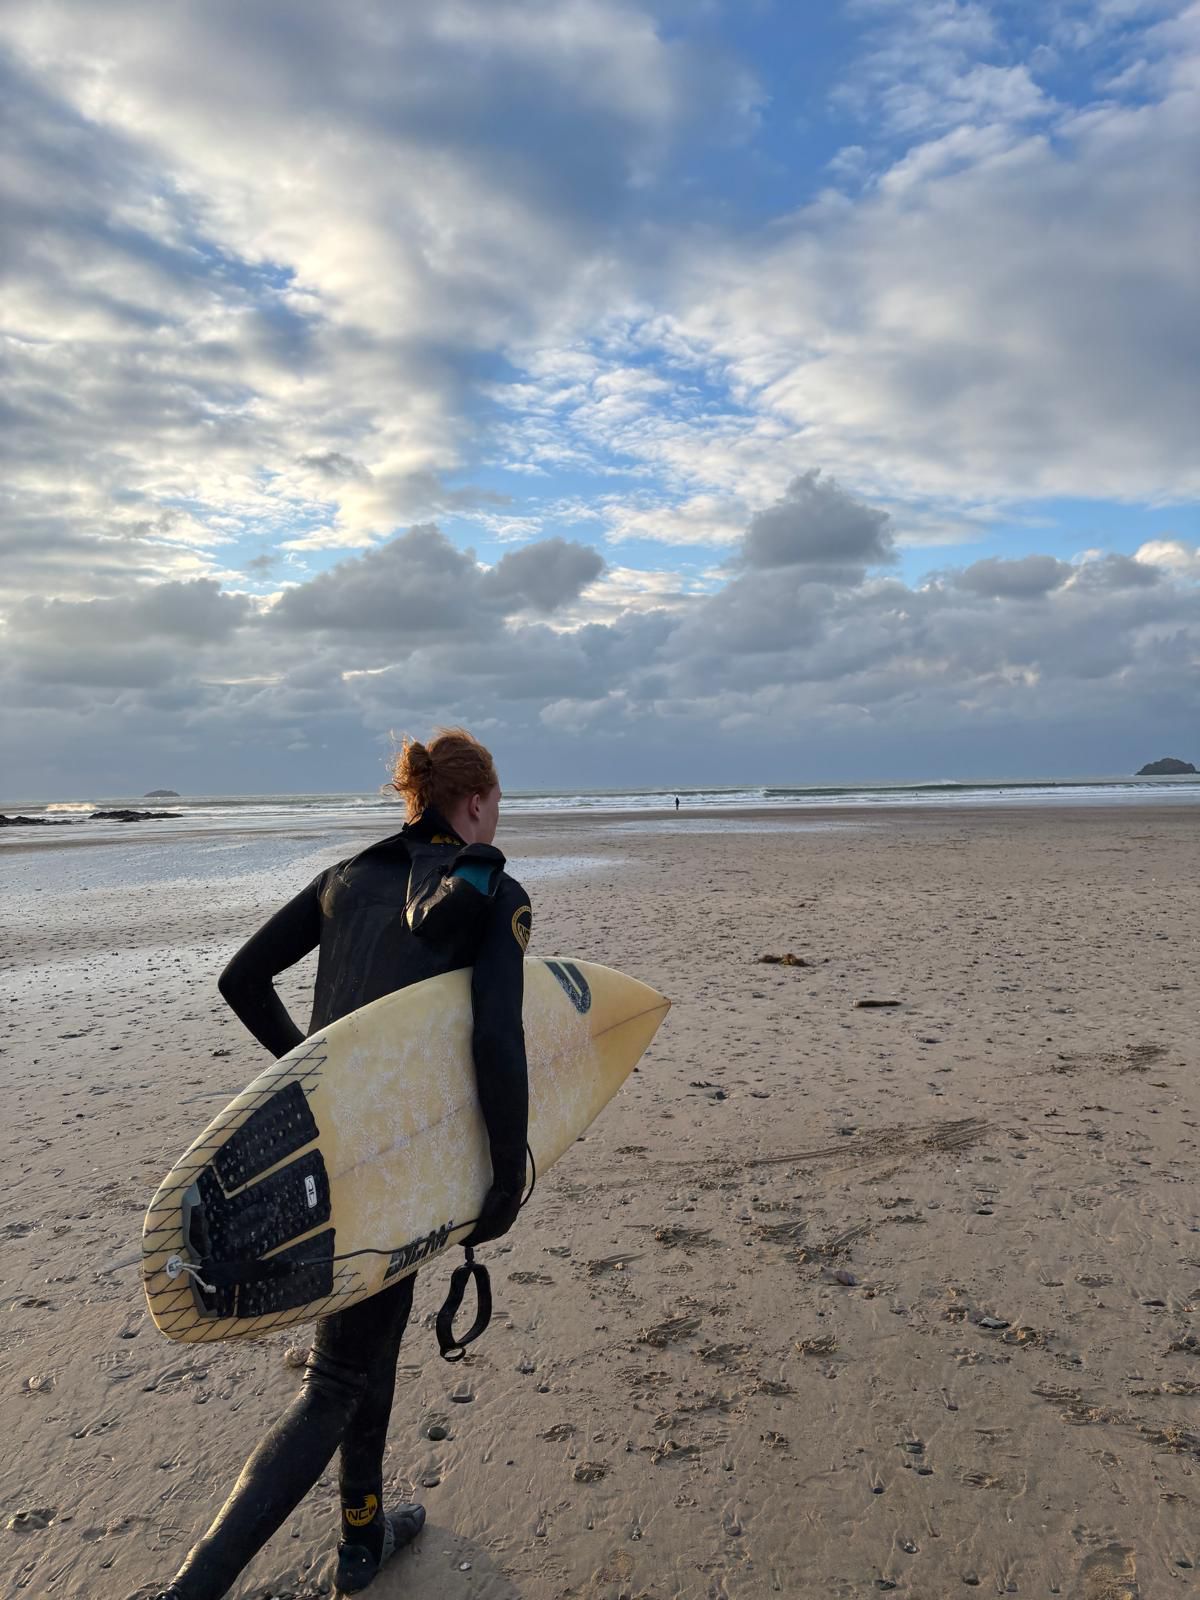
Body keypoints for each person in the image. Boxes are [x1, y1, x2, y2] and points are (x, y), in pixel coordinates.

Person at [151, 729, 532, 1600]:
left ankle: (362, 1538)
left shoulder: (344, 882)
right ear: (474, 804)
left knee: (369, 1344)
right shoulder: (491, 894)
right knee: (333, 1382)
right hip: (400, 1164)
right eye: (498, 805)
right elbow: (497, 1041)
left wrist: (310, 1081)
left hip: (330, 1151)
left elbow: (240, 979)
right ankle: (192, 1590)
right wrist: (505, 1180)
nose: (498, 817)